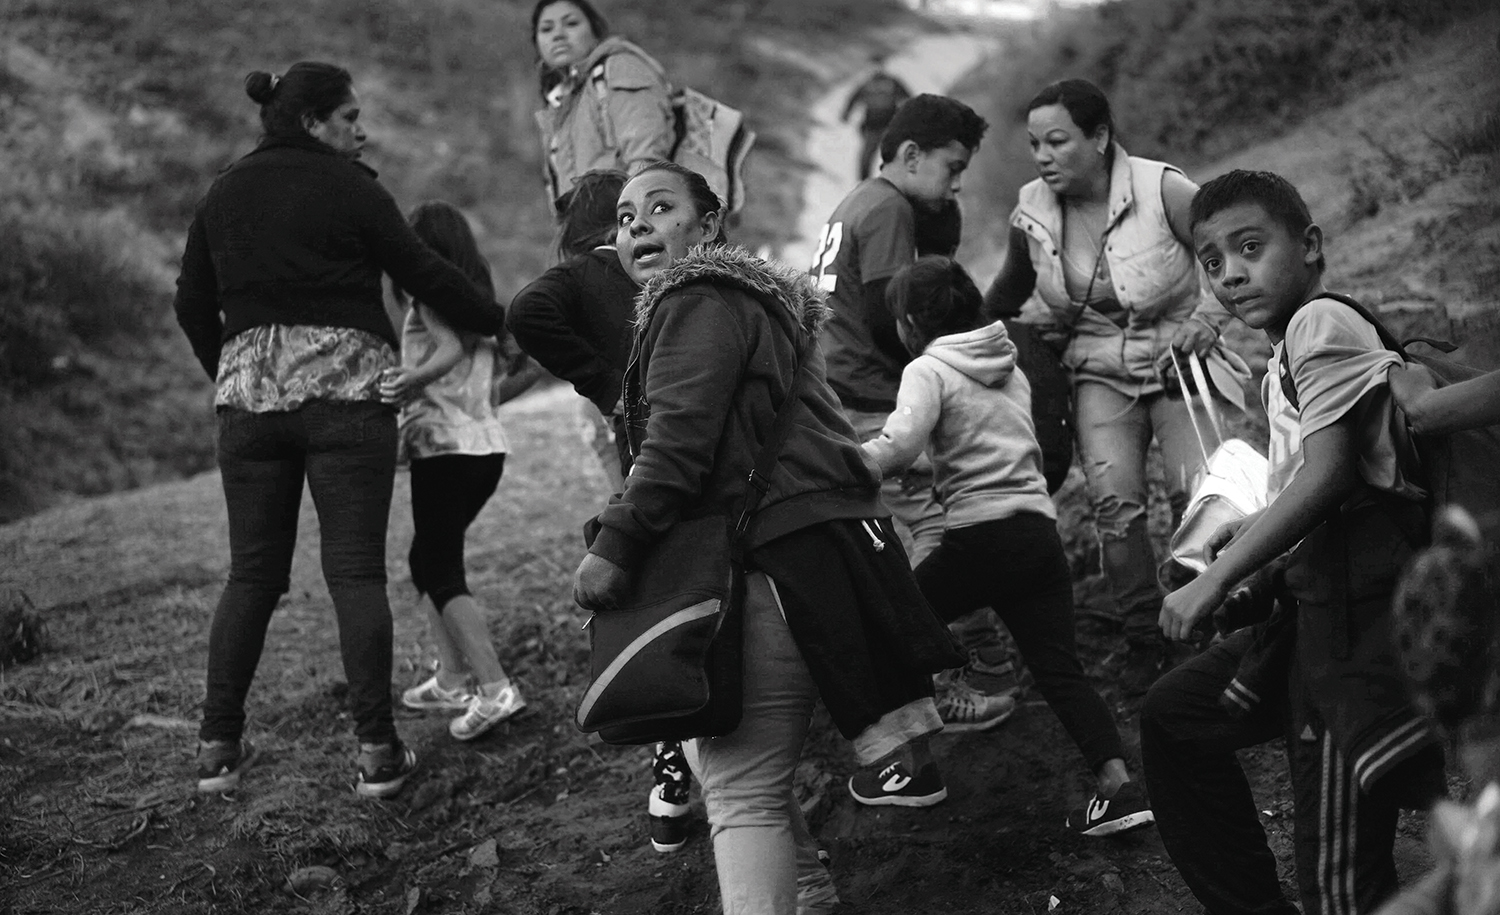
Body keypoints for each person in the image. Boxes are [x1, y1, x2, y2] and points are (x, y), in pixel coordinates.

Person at [573, 161, 964, 914]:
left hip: (768, 568)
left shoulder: (695, 299)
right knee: (735, 767)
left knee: (742, 790)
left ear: (709, 223)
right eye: (624, 218)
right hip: (816, 555)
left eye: (660, 207)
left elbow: (678, 445)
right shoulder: (756, 308)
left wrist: (613, 546)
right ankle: (807, 891)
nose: (638, 224)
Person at [172, 63, 507, 798]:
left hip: (250, 402)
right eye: (351, 118)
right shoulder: (354, 188)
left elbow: (191, 301)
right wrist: (494, 318)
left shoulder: (222, 192)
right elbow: (423, 272)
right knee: (354, 573)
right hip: (349, 401)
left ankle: (217, 748)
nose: (362, 131)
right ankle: (377, 752)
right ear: (313, 122)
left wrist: (232, 371)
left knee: (251, 574)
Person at [1142, 169, 1446, 915]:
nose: (1230, 273)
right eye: (1212, 261)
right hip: (1317, 614)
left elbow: (1331, 476)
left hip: (1356, 636)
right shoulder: (1286, 357)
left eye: (1250, 247)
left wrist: (1215, 580)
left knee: (1340, 887)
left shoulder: (1318, 325)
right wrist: (1256, 542)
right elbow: (1335, 482)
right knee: (1175, 714)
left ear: (1309, 245)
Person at [862, 255, 1152, 834]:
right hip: (1036, 537)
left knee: (895, 631)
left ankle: (916, 770)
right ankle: (1118, 786)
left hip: (979, 540)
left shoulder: (926, 369)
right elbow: (992, 444)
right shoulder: (1008, 368)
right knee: (1060, 671)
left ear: (911, 323)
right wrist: (929, 469)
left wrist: (844, 463)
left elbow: (898, 443)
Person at [983, 79, 1250, 691]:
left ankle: (1214, 623)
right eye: (1034, 145)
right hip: (1097, 371)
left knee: (1200, 495)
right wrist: (958, 339)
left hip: (1179, 365)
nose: (1043, 156)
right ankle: (1142, 638)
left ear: (1100, 137)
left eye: (1057, 141)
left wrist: (1208, 319)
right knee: (1114, 505)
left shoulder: (1164, 190)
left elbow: (1229, 251)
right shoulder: (1031, 210)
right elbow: (1008, 291)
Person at [811, 94, 1019, 724]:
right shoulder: (888, 210)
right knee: (938, 530)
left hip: (844, 393)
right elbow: (888, 320)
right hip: (870, 399)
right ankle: (949, 673)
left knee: (919, 529)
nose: (957, 184)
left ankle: (971, 657)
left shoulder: (860, 200)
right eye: (952, 168)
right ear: (910, 155)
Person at [506, 169, 696, 854]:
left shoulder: (582, 273)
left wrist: (601, 384)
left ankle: (671, 779)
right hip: (696, 448)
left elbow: (526, 311)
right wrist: (605, 383)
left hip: (645, 455)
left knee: (662, 591)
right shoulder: (646, 262)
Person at [382, 202, 526, 742]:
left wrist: (410, 381)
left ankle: (495, 687)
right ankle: (451, 678)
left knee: (440, 568)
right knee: (426, 560)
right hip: (484, 451)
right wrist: (483, 403)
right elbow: (522, 370)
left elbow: (447, 349)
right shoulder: (481, 307)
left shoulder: (431, 297)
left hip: (445, 451)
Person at [531, 0, 675, 212]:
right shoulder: (561, 102)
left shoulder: (621, 68)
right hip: (591, 228)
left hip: (628, 223)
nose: (558, 35)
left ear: (595, 32)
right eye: (546, 29)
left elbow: (646, 161)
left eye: (571, 23)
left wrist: (630, 222)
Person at [841, 59, 912, 181]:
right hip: (871, 125)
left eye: (878, 66)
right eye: (873, 67)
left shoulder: (891, 83)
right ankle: (864, 180)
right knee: (867, 155)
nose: (876, 70)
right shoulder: (867, 84)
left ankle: (898, 179)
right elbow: (853, 99)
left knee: (894, 153)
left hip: (890, 124)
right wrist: (846, 114)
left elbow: (907, 98)